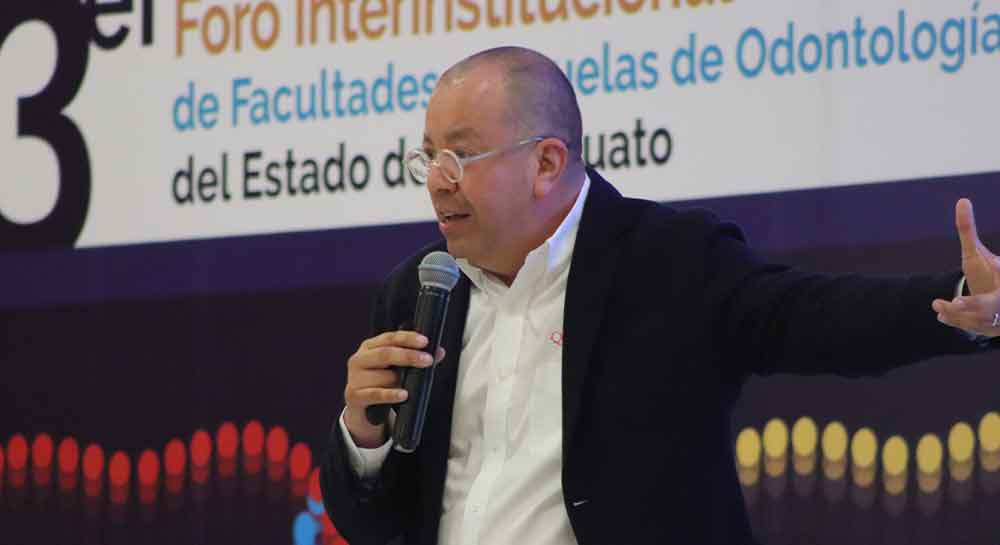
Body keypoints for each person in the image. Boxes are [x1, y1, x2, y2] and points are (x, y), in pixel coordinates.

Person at [319, 46, 999, 545]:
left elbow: (817, 317)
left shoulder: (668, 262)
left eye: (460, 156)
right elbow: (374, 523)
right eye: (428, 156)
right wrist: (363, 434)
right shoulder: (418, 290)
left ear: (546, 162)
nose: (436, 180)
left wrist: (962, 298)